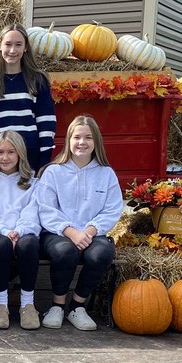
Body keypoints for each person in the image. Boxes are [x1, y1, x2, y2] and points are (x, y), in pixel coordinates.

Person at [33, 114, 123, 331]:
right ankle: (57, 305)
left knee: (101, 254)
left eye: (88, 138)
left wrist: (90, 231)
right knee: (66, 252)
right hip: (58, 233)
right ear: (69, 141)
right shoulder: (54, 171)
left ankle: (77, 306)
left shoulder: (106, 174)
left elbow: (112, 209)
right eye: (77, 137)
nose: (82, 142)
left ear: (96, 142)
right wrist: (71, 232)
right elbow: (45, 208)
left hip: (93, 233)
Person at [0, 130, 41, 330]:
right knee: (1, 245)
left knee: (30, 244)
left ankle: (28, 305)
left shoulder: (33, 183)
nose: (5, 157)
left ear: (20, 154)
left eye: (11, 152)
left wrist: (19, 231)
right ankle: (0, 304)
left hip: (23, 233)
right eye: (0, 152)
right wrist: (5, 232)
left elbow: (33, 212)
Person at [0, 24, 57, 172]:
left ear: (25, 47)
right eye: (8, 44)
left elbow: (47, 124)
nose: (12, 50)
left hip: (29, 157)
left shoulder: (38, 80)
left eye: (18, 45)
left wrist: (44, 161)